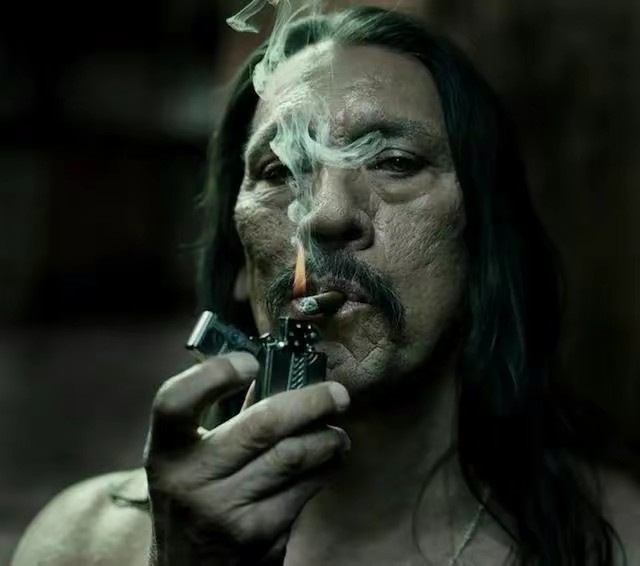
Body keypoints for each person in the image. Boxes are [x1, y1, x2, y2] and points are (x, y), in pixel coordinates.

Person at [12, 6, 640, 566]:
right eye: (280, 170)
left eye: (394, 162)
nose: (326, 214)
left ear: (482, 249)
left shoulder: (621, 541)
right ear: (240, 263)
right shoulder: (80, 545)